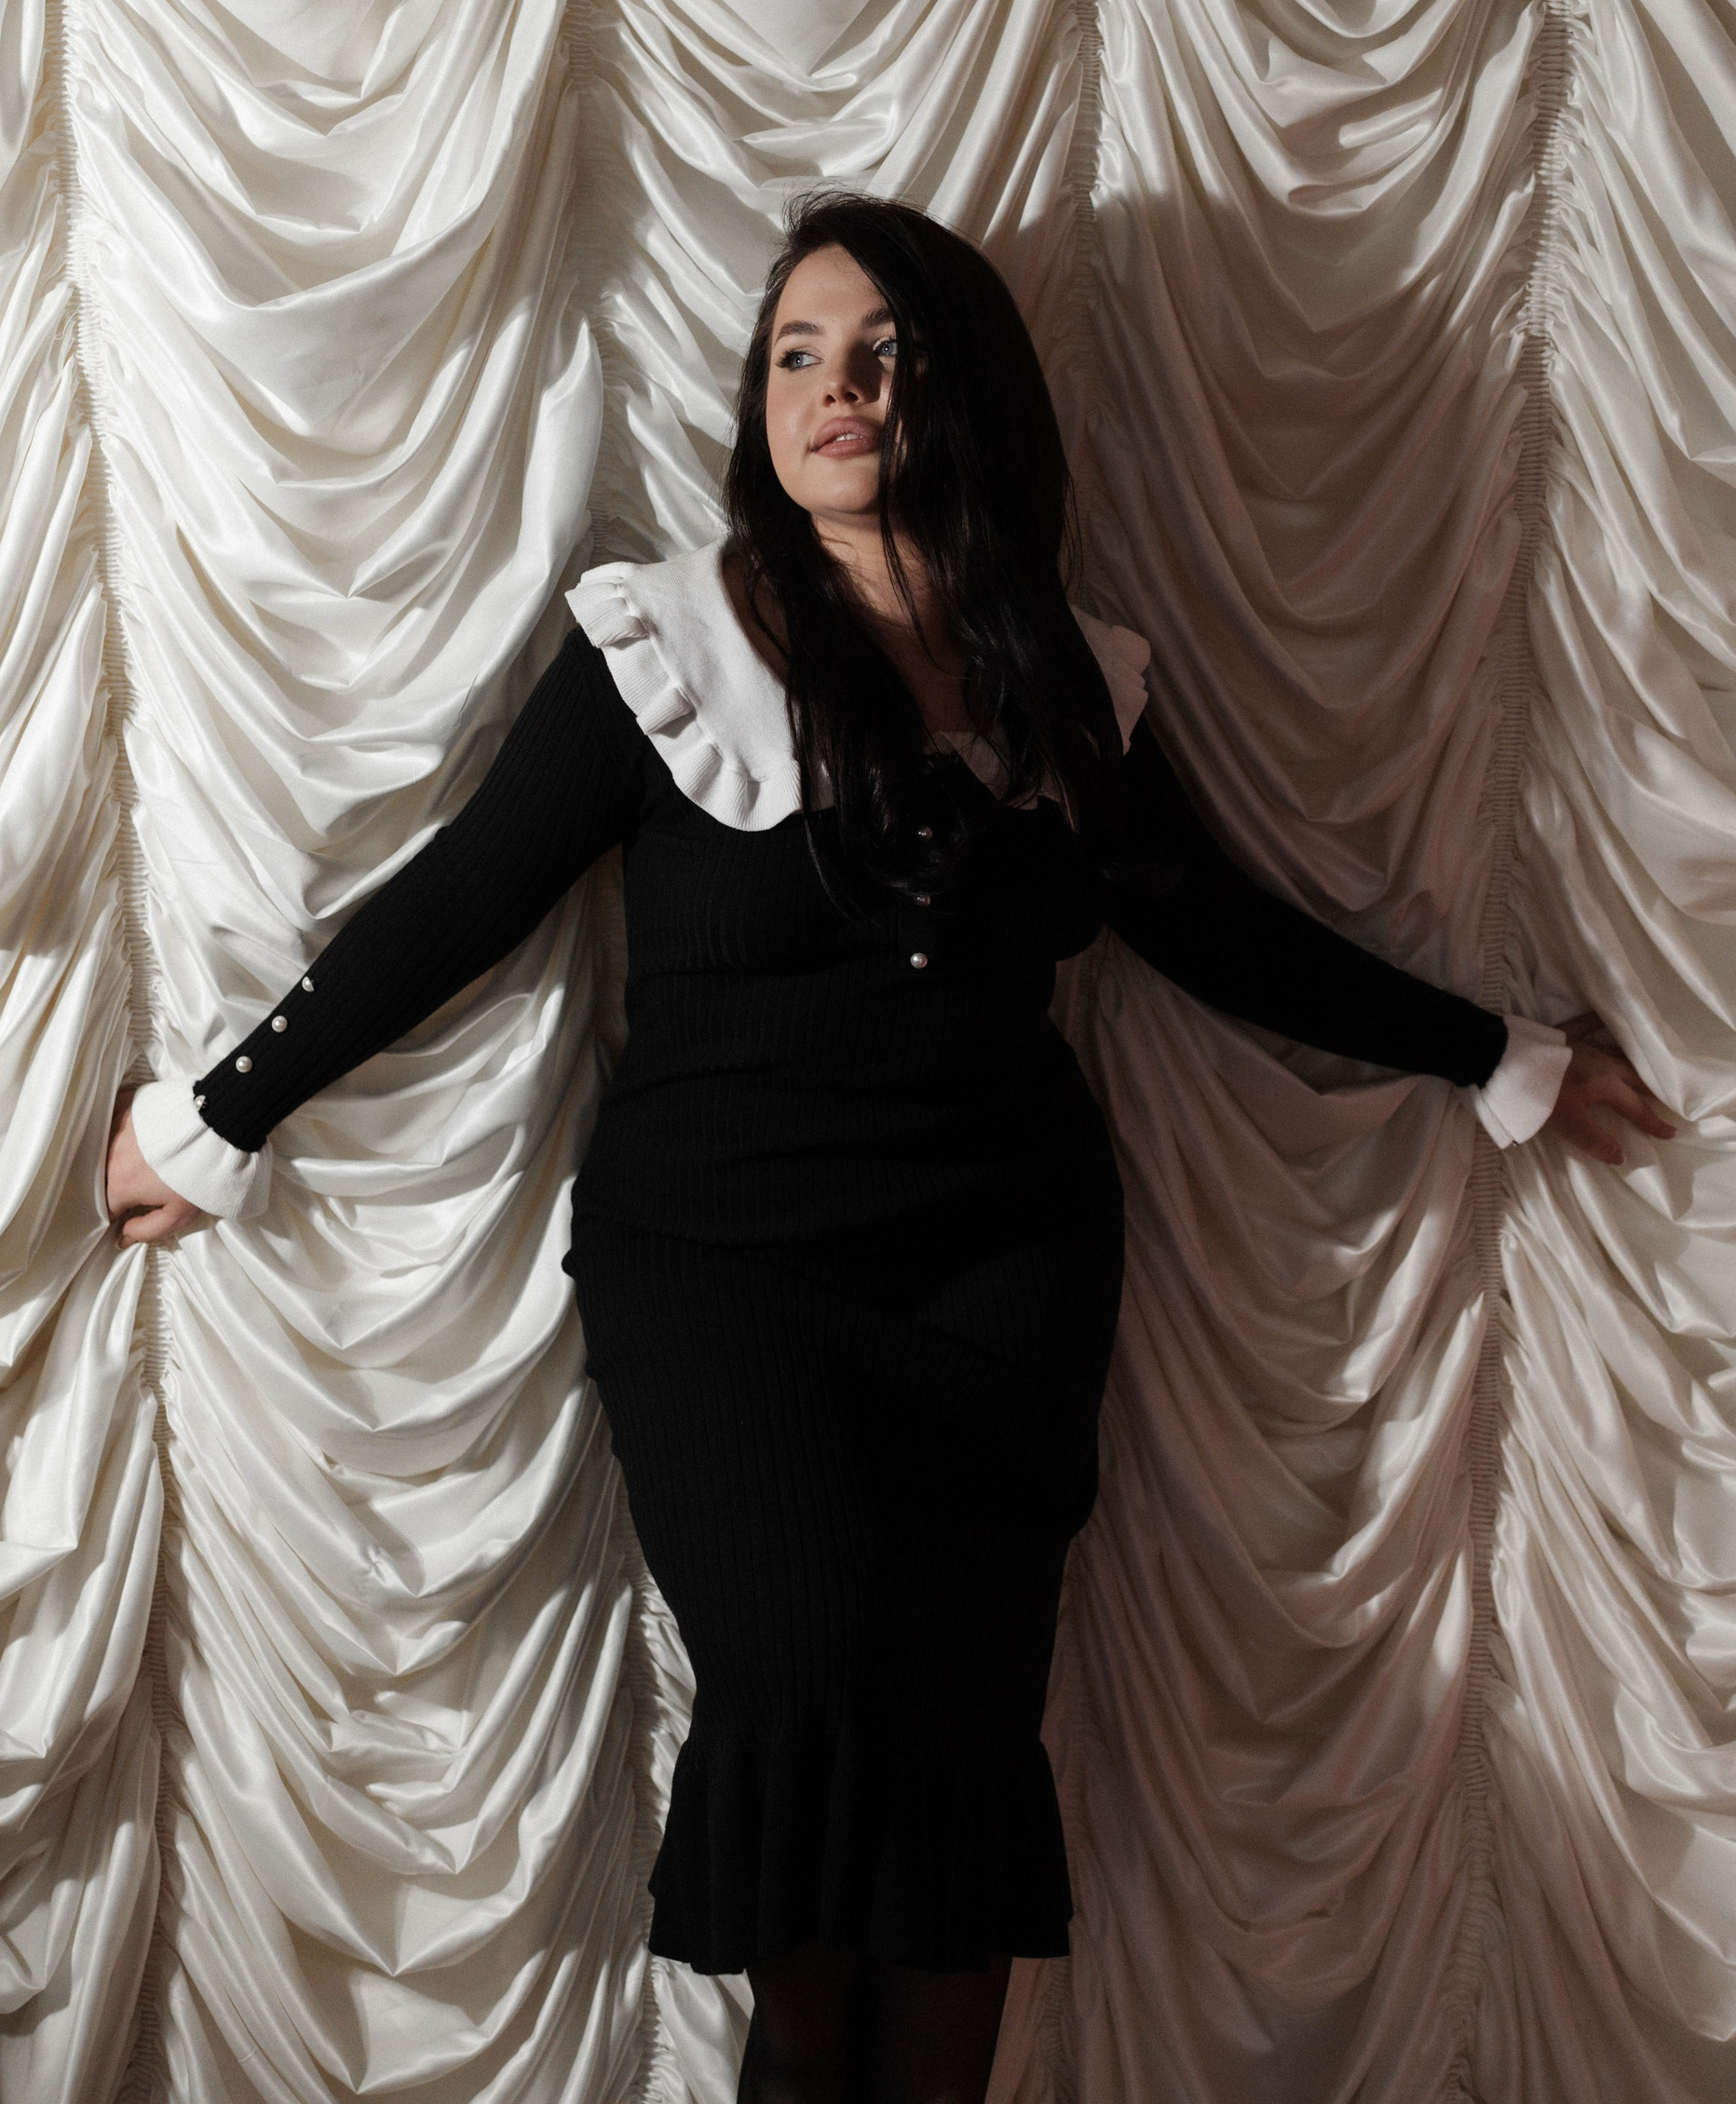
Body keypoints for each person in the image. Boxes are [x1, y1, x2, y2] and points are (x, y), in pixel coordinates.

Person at [106, 193, 1671, 2104]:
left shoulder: (1063, 681)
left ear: (966, 395)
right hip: (728, 1276)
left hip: (1005, 1274)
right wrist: (222, 1112)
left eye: (883, 354)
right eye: (797, 355)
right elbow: (459, 903)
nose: (834, 390)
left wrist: (1494, 1057)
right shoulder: (670, 644)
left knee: (957, 1755)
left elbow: (1211, 925)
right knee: (810, 1692)